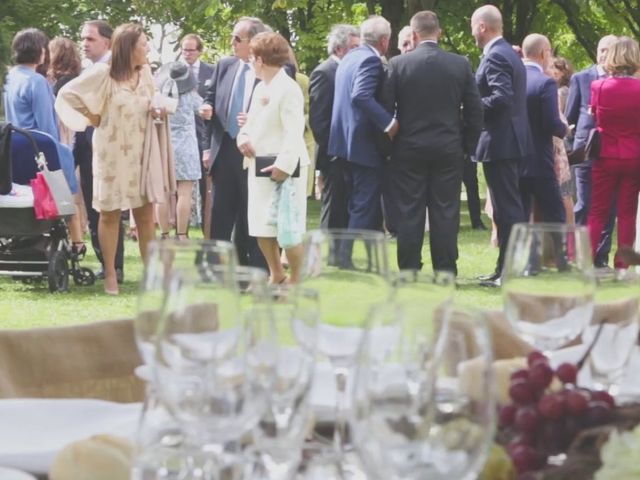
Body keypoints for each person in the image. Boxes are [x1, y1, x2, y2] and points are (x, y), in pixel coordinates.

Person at [56, 23, 163, 294]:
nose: (147, 48)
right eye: (143, 44)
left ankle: (150, 276)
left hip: (141, 154)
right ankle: (111, 276)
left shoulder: (147, 74)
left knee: (145, 213)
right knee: (110, 213)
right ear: (129, 47)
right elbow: (68, 94)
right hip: (111, 154)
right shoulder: (104, 73)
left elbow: (153, 102)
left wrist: (158, 111)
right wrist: (92, 117)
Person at [384, 10, 483, 274]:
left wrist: (391, 142)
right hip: (448, 148)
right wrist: (466, 146)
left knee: (409, 211)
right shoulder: (460, 64)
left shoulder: (397, 65)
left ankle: (408, 269)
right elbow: (475, 111)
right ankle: (446, 269)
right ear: (438, 32)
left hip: (408, 149)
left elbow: (385, 108)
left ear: (413, 35)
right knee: (446, 211)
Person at [236, 32, 310, 284]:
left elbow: (294, 130)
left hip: (284, 170)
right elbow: (249, 123)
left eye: (252, 58)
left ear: (260, 60)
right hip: (258, 166)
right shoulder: (260, 88)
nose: (249, 62)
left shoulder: (288, 88)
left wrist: (285, 165)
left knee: (287, 229)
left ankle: (297, 280)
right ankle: (276, 274)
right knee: (260, 226)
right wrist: (242, 138)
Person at [199, 16, 268, 270]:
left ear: (253, 42)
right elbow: (210, 99)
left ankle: (252, 267)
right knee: (219, 213)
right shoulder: (225, 65)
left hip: (253, 150)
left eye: (237, 38)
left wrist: (254, 119)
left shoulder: (270, 70)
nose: (232, 42)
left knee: (251, 212)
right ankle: (215, 268)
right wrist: (206, 110)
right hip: (224, 148)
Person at [470, 5, 531, 287]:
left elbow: (501, 97)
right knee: (507, 208)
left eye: (473, 26)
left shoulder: (496, 56)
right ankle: (502, 270)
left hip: (501, 141)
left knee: (508, 210)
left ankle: (510, 271)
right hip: (508, 141)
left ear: (482, 26)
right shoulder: (506, 52)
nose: (472, 32)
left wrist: (468, 106)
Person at [328, 15, 398, 242]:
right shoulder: (370, 60)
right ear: (385, 41)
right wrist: (389, 123)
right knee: (363, 205)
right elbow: (360, 95)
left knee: (353, 202)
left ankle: (345, 255)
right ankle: (347, 258)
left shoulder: (349, 58)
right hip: (363, 146)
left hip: (343, 144)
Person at [75, 20, 125, 284]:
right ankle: (107, 264)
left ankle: (113, 266)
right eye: (83, 39)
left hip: (108, 147)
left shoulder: (112, 70)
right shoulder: (89, 69)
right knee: (95, 209)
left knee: (108, 209)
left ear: (107, 41)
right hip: (87, 145)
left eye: (90, 39)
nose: (84, 43)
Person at [565, 34, 618, 267]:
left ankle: (600, 256)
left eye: (609, 49)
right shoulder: (581, 78)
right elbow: (569, 118)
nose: (603, 53)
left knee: (609, 206)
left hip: (613, 153)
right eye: (601, 49)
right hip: (585, 151)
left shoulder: (622, 82)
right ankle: (576, 253)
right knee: (584, 204)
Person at [587, 37, 640, 269]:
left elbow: (595, 117)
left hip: (606, 154)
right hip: (634, 155)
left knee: (597, 211)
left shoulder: (599, 86)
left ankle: (585, 261)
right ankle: (622, 266)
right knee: (627, 214)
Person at [309, 24, 359, 236]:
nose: (359, 52)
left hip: (350, 154)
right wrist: (337, 151)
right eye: (354, 47)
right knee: (334, 209)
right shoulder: (324, 72)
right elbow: (319, 121)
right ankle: (329, 255)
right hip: (334, 156)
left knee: (347, 208)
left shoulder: (350, 70)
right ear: (339, 49)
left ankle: (342, 256)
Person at [519, 34, 568, 223]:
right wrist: (564, 129)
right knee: (555, 215)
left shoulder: (513, 79)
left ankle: (522, 253)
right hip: (539, 159)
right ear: (543, 53)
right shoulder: (545, 82)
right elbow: (551, 123)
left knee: (520, 217)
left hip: (514, 158)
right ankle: (554, 253)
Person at [47, 36, 87, 258]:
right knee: (74, 190)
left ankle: (76, 239)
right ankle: (79, 236)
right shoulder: (78, 79)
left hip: (63, 138)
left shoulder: (58, 84)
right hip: (76, 136)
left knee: (66, 192)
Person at [156, 62, 202, 241]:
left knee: (163, 194)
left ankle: (164, 233)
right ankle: (182, 234)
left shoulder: (160, 94)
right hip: (187, 147)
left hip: (165, 145)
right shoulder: (190, 95)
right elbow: (203, 110)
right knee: (184, 193)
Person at [180, 33, 214, 236]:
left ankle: (208, 232)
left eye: (191, 50)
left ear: (199, 51)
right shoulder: (173, 73)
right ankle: (178, 231)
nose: (187, 54)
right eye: (184, 49)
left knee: (205, 187)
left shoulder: (212, 71)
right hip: (180, 136)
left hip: (203, 135)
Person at [3, 29, 59, 140]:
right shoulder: (36, 81)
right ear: (39, 50)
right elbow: (46, 126)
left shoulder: (9, 76)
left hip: (13, 144)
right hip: (35, 146)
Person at [548, 56, 575, 225]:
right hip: (560, 140)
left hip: (559, 142)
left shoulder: (561, 92)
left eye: (556, 72)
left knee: (564, 192)